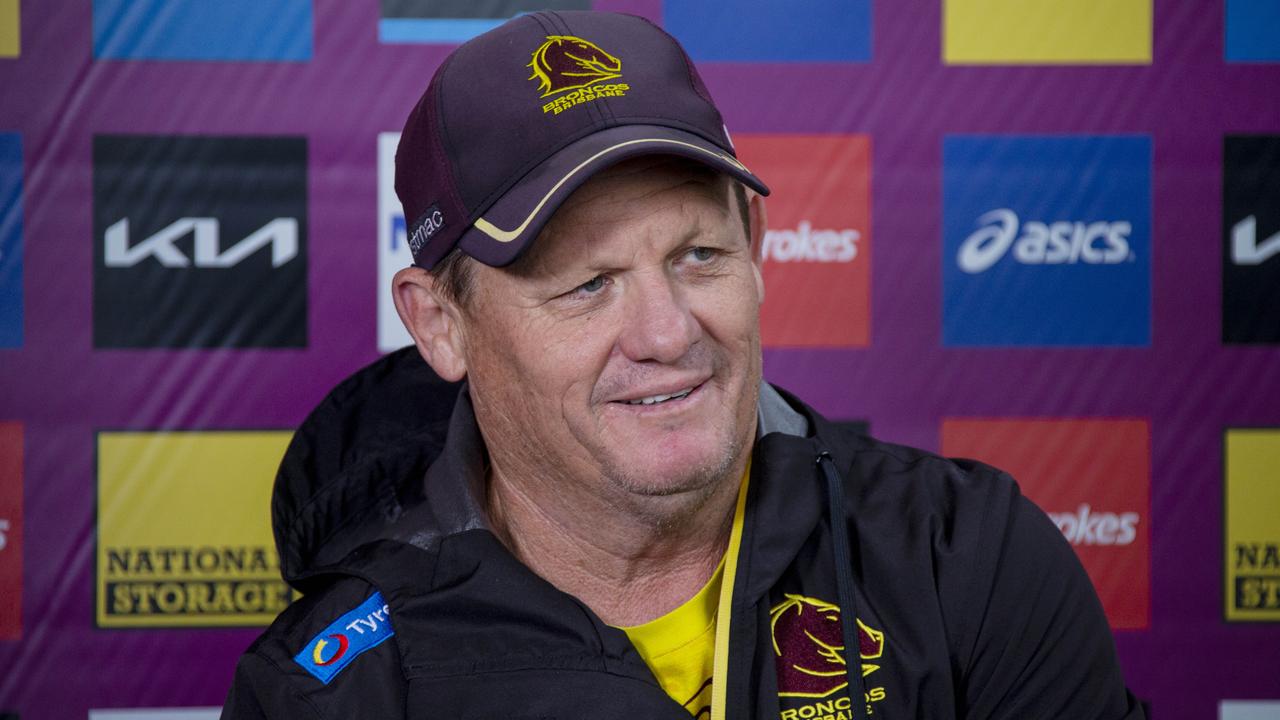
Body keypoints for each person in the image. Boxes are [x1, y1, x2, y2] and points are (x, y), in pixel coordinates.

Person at [221, 10, 1145, 720]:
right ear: (440, 325)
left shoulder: (964, 558)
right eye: (587, 283)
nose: (666, 333)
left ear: (755, 244)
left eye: (698, 256)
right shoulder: (331, 691)